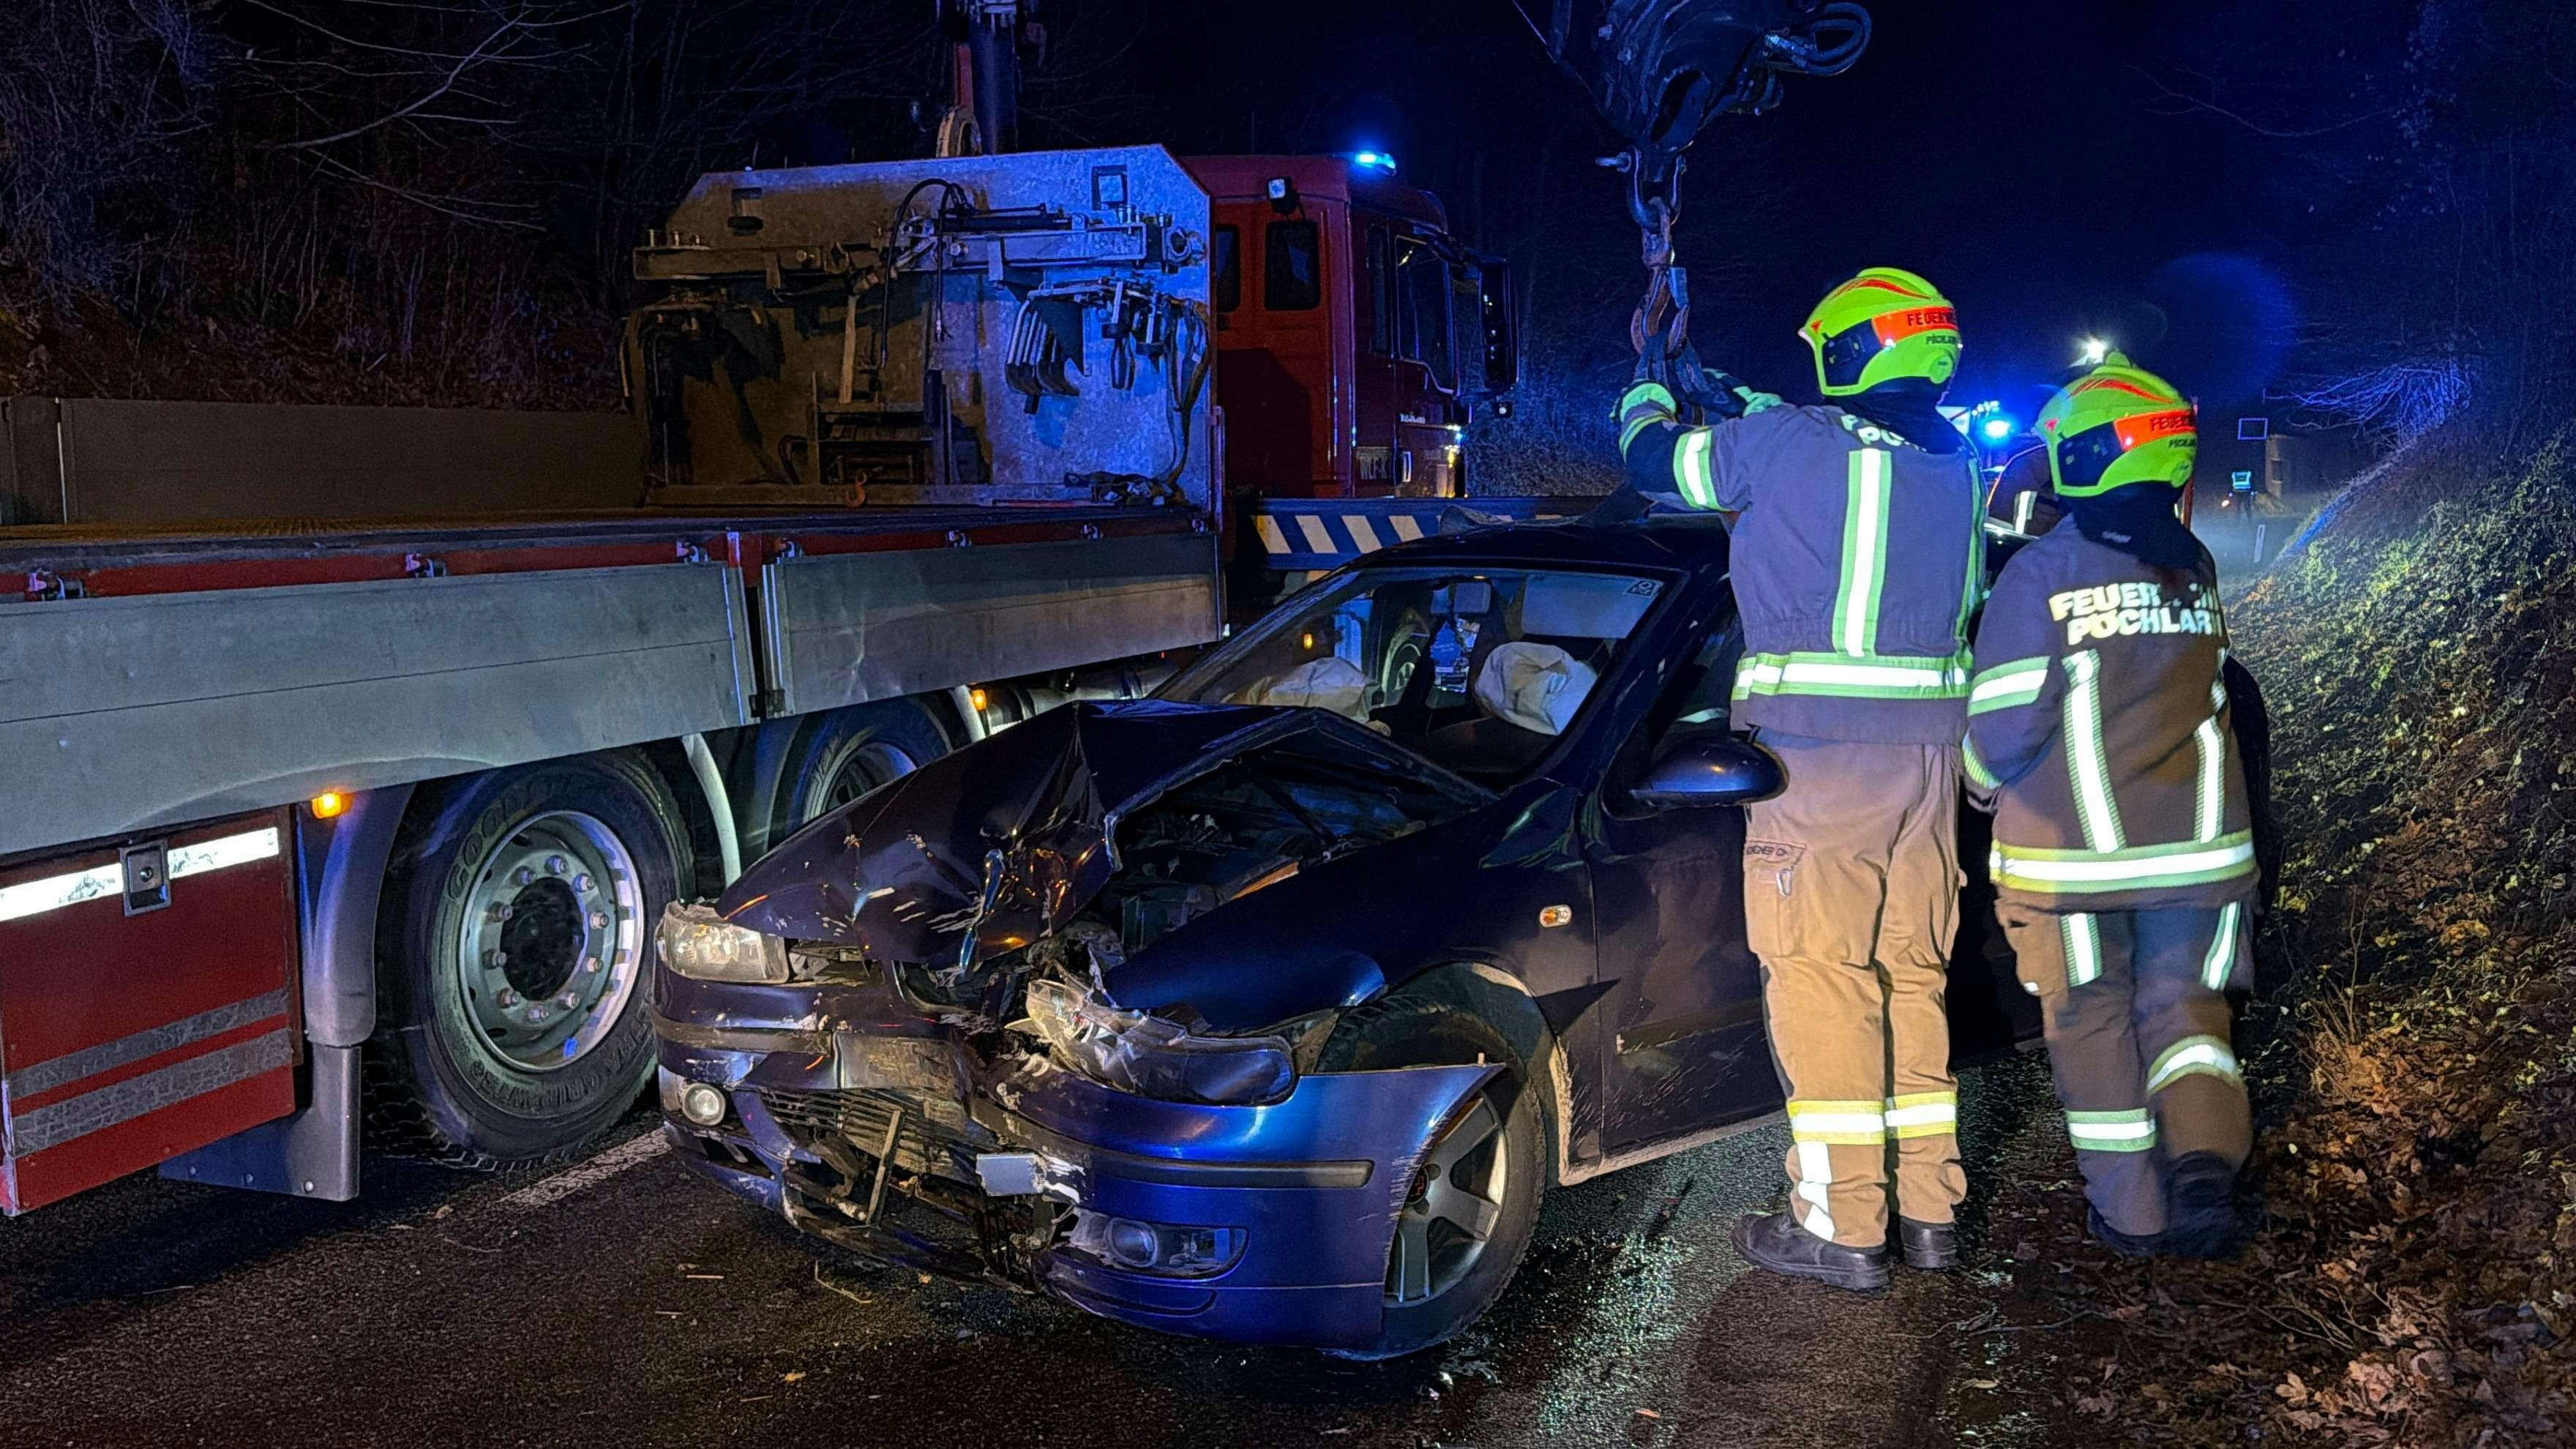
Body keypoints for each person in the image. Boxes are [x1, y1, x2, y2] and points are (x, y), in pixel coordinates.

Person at [1618, 267, 1985, 1290]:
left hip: (1819, 769)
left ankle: (1840, 1228)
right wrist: (1751, 400)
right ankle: (1930, 1209)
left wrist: (1647, 389)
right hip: (1928, 771)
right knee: (1910, 979)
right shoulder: (1954, 467)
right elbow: (1834, 445)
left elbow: (1661, 466)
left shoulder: (1789, 446)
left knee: (1822, 986)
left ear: (1853, 351)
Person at [1963, 358, 2255, 1258]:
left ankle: (2132, 1216)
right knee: (2187, 1013)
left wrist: (1976, 784)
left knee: (2090, 1022)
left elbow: (2004, 724)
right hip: (2199, 859)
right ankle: (2204, 1167)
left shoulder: (2041, 572)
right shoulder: (2193, 562)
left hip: (2073, 868)